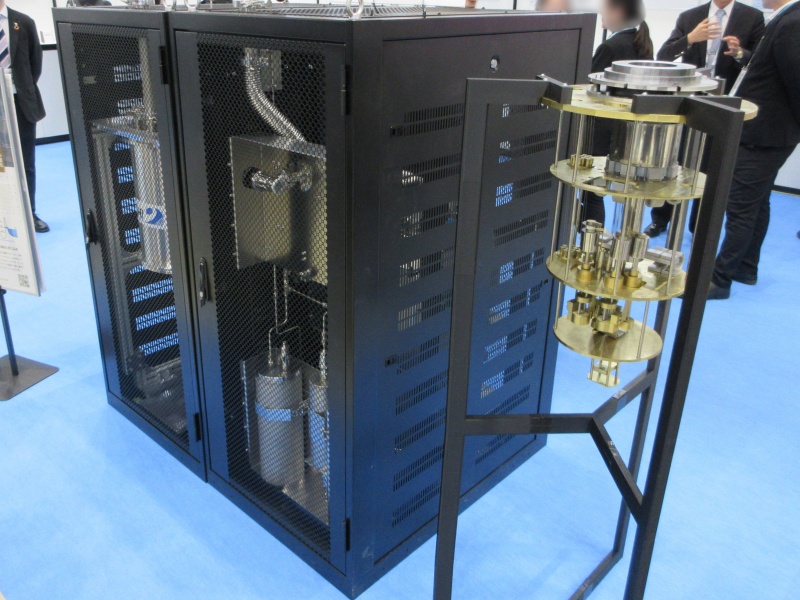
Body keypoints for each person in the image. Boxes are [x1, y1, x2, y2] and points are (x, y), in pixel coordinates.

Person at [644, 0, 765, 238]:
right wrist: (690, 38)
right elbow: (664, 55)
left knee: (711, 166)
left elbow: (759, 62)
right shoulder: (690, 16)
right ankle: (660, 219)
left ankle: (698, 224)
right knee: (674, 161)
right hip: (689, 101)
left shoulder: (752, 17)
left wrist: (740, 53)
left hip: (724, 102)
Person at [708, 0, 800, 300]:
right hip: (769, 132)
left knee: (741, 207)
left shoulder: (792, 22)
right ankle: (745, 268)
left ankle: (719, 280)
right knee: (757, 203)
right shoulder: (786, 18)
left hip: (766, 134)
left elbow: (796, 81)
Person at [582, 0, 653, 226]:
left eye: (605, 8)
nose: (601, 13)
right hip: (624, 133)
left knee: (591, 193)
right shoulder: (640, 41)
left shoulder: (611, 47)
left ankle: (590, 239)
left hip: (600, 132)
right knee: (597, 193)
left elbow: (587, 87)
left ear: (619, 11)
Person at [0, 1, 48, 233]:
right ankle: (5, 215)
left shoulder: (24, 22)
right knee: (2, 162)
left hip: (21, 103)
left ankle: (30, 213)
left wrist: (22, 87)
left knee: (26, 162)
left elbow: (35, 63)